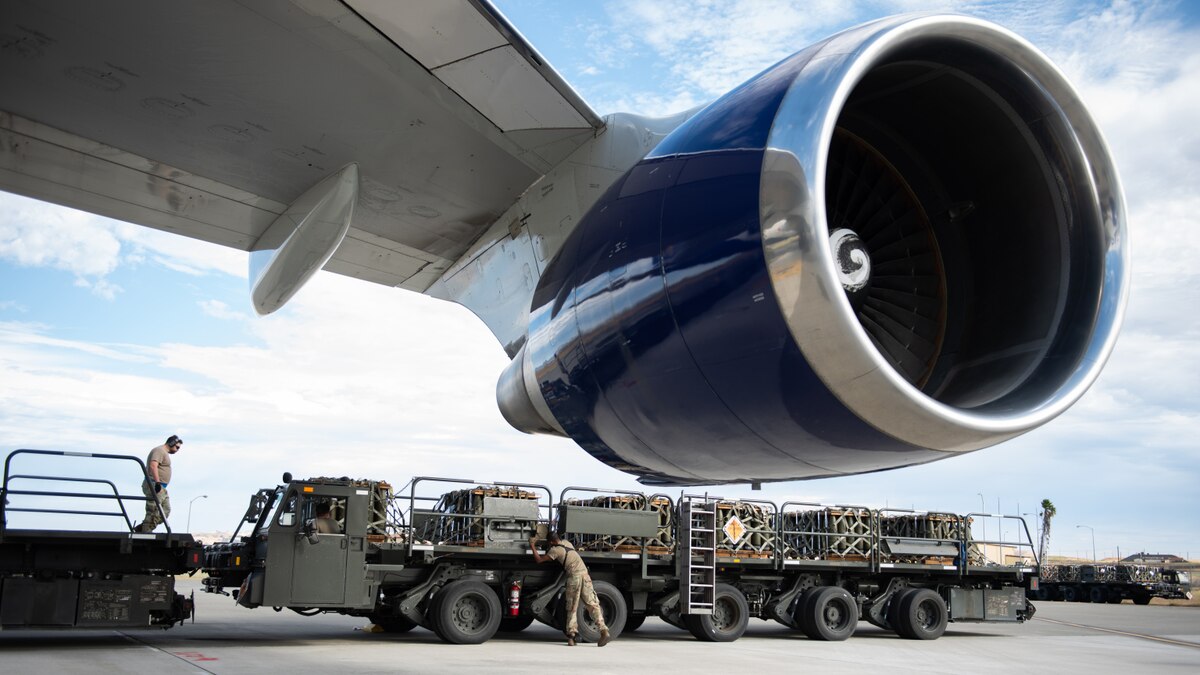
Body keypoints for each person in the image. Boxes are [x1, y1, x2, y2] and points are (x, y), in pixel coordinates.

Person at [529, 531, 612, 646]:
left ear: (552, 542)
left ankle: (572, 637)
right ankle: (603, 630)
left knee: (572, 607)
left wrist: (532, 545)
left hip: (574, 578)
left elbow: (539, 560)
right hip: (585, 575)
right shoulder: (567, 543)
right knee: (592, 604)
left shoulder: (555, 551)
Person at [134, 435, 182, 533]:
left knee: (166, 510)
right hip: (155, 485)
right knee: (152, 510)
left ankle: (144, 527)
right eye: (177, 447)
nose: (177, 450)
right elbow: (153, 465)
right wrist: (157, 482)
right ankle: (145, 532)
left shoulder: (164, 453)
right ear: (172, 443)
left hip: (161, 487)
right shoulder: (159, 451)